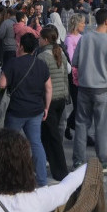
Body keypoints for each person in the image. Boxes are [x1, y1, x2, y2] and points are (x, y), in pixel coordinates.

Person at [71, 9, 107, 173]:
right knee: (103, 126)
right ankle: (103, 160)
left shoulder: (85, 39)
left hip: (84, 87)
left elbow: (75, 62)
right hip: (102, 89)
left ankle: (78, 161)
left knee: (81, 124)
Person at [0, 33, 52, 186]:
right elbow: (48, 88)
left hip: (16, 110)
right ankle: (42, 180)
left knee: (9, 144)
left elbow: (2, 84)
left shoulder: (12, 63)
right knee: (36, 143)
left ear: (21, 46)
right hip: (36, 110)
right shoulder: (41, 64)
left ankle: (9, 179)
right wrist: (46, 107)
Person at [37, 26, 70, 181]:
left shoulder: (43, 56)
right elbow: (65, 76)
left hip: (49, 100)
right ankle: (38, 162)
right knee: (47, 133)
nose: (38, 40)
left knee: (53, 136)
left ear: (45, 39)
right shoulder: (60, 52)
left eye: (40, 38)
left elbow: (40, 81)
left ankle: (61, 170)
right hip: (61, 98)